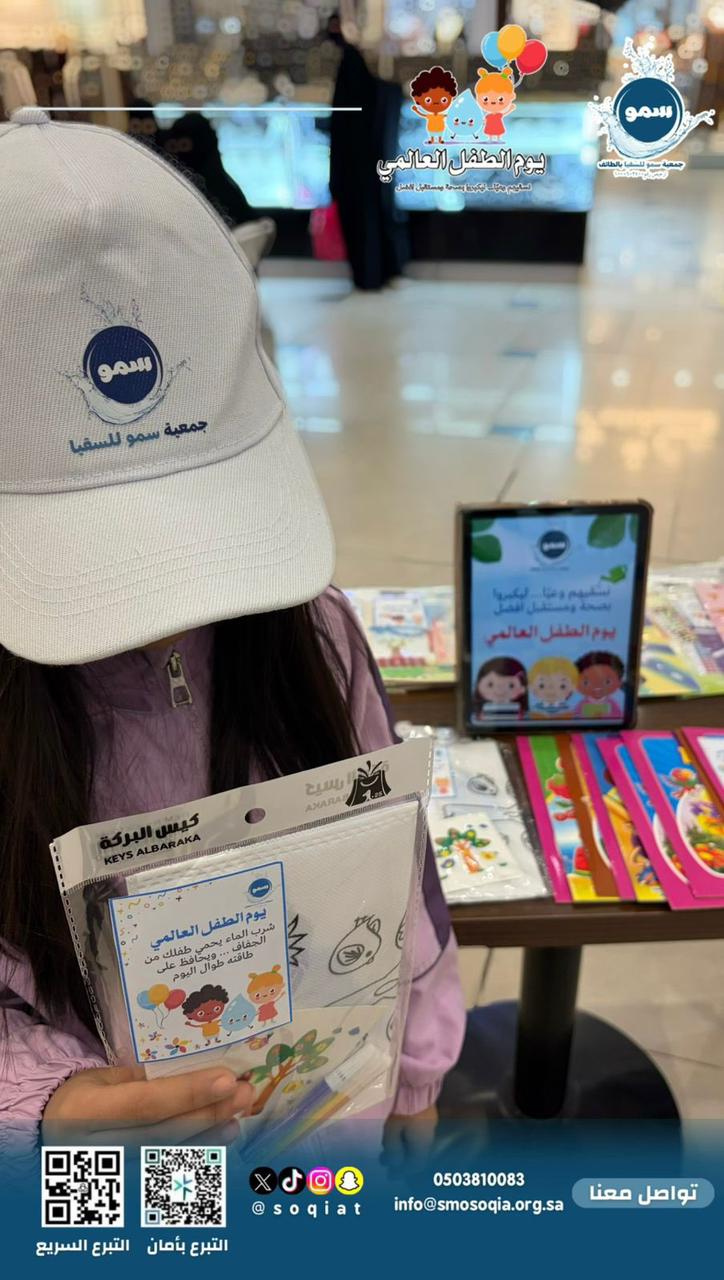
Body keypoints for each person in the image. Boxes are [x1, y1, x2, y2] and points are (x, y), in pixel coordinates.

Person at [0, 107, 465, 1153]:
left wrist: (416, 1078)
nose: (166, 602)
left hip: (318, 1145)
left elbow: (403, 879)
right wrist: (44, 1105)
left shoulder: (315, 638)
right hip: (105, 1180)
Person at [326, 13, 407, 289]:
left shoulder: (351, 66)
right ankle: (374, 274)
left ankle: (369, 276)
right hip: (366, 165)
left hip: (354, 165)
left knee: (361, 222)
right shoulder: (355, 66)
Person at [163, 111, 253, 227]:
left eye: (184, 145)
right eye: (174, 146)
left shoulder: (215, 190)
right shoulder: (225, 188)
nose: (178, 152)